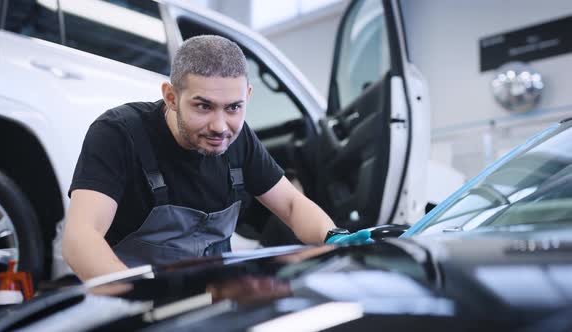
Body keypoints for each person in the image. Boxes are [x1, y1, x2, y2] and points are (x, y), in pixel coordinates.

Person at [63, 35, 372, 281]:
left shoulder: (239, 140)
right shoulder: (119, 133)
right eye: (203, 107)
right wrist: (136, 300)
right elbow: (80, 239)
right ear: (171, 97)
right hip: (131, 305)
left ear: (247, 96)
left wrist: (332, 237)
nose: (220, 126)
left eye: (234, 107)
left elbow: (291, 205)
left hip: (209, 301)